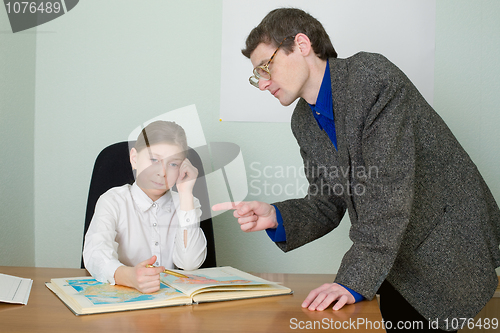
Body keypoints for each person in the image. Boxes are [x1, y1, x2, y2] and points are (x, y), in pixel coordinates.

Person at [213, 8, 500, 332]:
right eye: (257, 76)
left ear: (302, 44)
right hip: (390, 257)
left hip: (444, 245)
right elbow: (325, 202)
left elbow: (387, 193)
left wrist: (350, 282)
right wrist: (277, 216)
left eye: (266, 68)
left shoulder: (372, 77)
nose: (263, 84)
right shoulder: (303, 122)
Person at [84, 120, 207, 293]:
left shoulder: (187, 204)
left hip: (170, 303)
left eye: (173, 164)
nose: (162, 172)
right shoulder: (113, 201)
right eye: (154, 159)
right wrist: (129, 276)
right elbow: (95, 254)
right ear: (134, 159)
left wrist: (186, 193)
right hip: (123, 297)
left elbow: (189, 264)